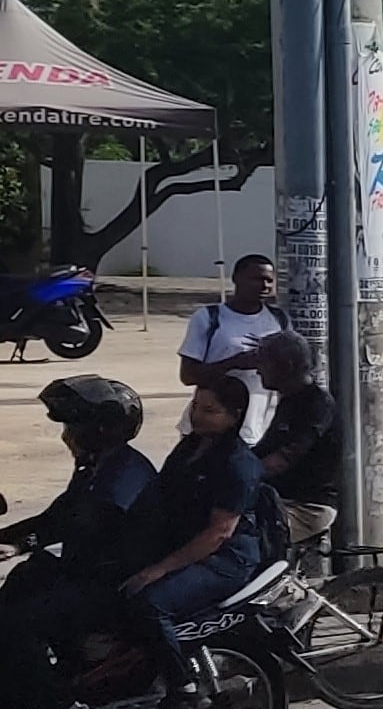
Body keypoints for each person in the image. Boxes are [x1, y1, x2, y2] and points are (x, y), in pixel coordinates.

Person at [0, 378, 158, 709]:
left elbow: (85, 524)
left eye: (73, 426)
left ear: (99, 430)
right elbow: (55, 517)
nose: (66, 435)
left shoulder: (124, 473)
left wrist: (21, 544)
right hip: (84, 568)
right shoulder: (95, 467)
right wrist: (9, 537)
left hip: (113, 582)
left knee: (15, 624)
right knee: (18, 584)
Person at [116, 380, 274, 668]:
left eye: (210, 411)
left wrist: (160, 569)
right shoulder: (189, 448)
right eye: (196, 406)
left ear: (234, 416)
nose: (197, 416)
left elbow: (218, 533)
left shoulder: (238, 464)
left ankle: (181, 684)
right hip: (181, 545)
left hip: (223, 560)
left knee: (150, 604)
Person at [248, 331, 344, 553]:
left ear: (286, 366)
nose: (257, 369)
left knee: (235, 536)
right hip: (277, 499)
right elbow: (260, 452)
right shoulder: (288, 401)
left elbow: (281, 460)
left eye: (263, 362)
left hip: (306, 508)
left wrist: (240, 476)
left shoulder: (318, 405)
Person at [178, 253, 286, 443]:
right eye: (256, 279)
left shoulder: (279, 320)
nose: (264, 286)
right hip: (209, 430)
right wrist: (235, 363)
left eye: (269, 280)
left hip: (258, 429)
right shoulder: (209, 318)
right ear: (236, 278)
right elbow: (187, 376)